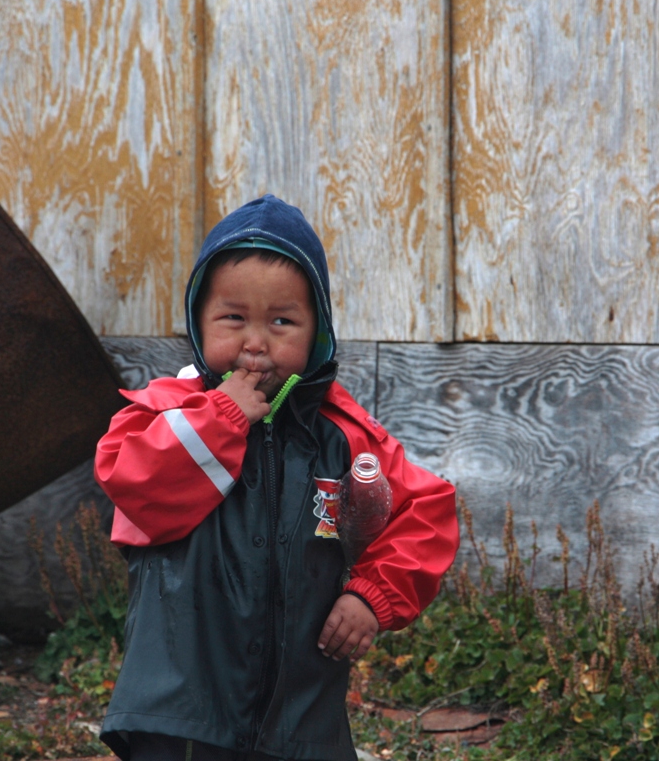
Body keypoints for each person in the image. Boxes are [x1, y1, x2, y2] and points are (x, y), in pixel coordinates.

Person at [94, 194, 459, 761]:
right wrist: (223, 416)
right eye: (234, 318)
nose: (256, 342)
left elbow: (426, 510)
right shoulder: (166, 412)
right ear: (199, 319)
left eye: (282, 321)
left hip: (301, 719)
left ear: (316, 334)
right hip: (182, 710)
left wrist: (372, 596)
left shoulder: (342, 434)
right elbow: (132, 479)